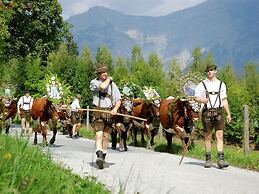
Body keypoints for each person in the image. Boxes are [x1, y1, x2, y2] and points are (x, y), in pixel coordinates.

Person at [194, 63, 231, 169]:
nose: (210, 72)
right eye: (208, 70)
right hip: (207, 112)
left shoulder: (221, 84)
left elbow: (224, 100)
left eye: (212, 70)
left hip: (219, 112)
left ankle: (221, 160)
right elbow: (195, 97)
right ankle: (208, 159)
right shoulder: (201, 84)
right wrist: (202, 100)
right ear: (206, 72)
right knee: (208, 136)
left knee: (220, 136)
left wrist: (228, 113)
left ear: (215, 71)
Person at [90, 63, 121, 169]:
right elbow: (102, 87)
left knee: (106, 136)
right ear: (98, 74)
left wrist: (115, 109)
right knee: (99, 134)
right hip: (97, 110)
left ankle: (103, 157)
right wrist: (109, 79)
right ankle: (98, 155)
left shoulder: (113, 85)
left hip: (108, 111)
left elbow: (118, 100)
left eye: (105, 72)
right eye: (102, 72)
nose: (105, 74)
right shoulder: (94, 82)